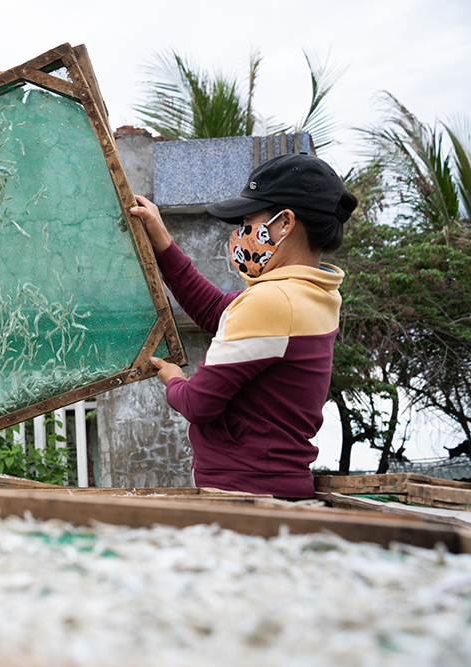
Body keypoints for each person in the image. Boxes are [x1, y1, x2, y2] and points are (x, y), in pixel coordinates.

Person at [129, 153, 358, 499]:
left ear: (284, 223)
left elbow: (196, 404)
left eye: (249, 219)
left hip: (245, 496)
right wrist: (163, 243)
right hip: (281, 487)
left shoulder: (272, 301)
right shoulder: (315, 293)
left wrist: (173, 378)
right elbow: (215, 310)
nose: (241, 232)